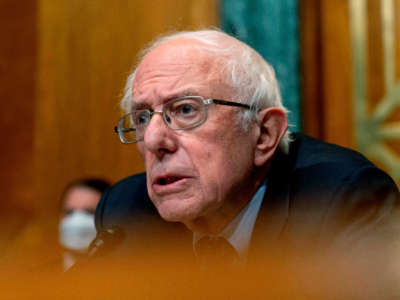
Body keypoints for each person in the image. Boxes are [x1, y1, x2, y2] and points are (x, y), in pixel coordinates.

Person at [95, 29, 399, 275]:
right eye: (143, 118)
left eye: (186, 109)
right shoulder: (126, 215)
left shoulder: (339, 203)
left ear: (264, 134)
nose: (153, 139)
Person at [59, 178, 110, 271]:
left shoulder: (125, 279)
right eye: (69, 212)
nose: (76, 221)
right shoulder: (36, 280)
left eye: (89, 212)